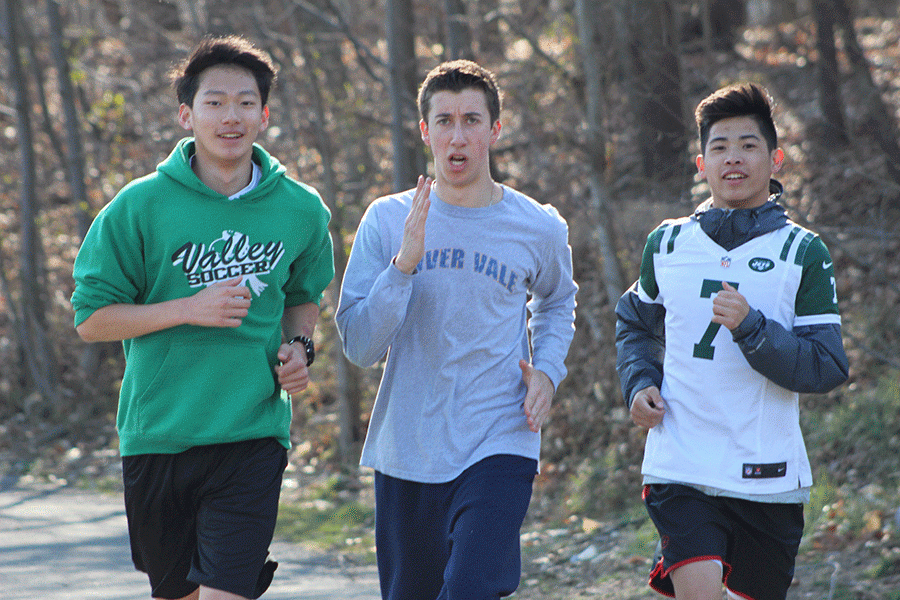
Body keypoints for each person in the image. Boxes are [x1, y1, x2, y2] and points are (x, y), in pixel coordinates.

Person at [71, 36, 334, 600]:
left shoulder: (301, 209)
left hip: (253, 433)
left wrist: (300, 348)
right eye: (215, 103)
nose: (230, 117)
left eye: (245, 103)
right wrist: (188, 308)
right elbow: (92, 319)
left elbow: (303, 297)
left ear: (264, 115)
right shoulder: (138, 207)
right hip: (160, 435)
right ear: (187, 114)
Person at [335, 60, 577, 599]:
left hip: (500, 436)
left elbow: (558, 301)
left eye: (472, 119)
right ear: (425, 132)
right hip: (409, 447)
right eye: (444, 120)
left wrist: (548, 372)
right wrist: (402, 267)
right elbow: (358, 345)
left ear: (495, 128)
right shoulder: (386, 219)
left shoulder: (536, 225)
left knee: (470, 587)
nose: (458, 134)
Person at [615, 82, 849, 600]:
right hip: (680, 466)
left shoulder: (803, 251)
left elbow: (827, 365)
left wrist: (753, 330)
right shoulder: (668, 242)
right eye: (719, 147)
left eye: (748, 145)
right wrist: (638, 383)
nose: (733, 158)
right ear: (701, 163)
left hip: (768, 476)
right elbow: (634, 323)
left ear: (775, 159)